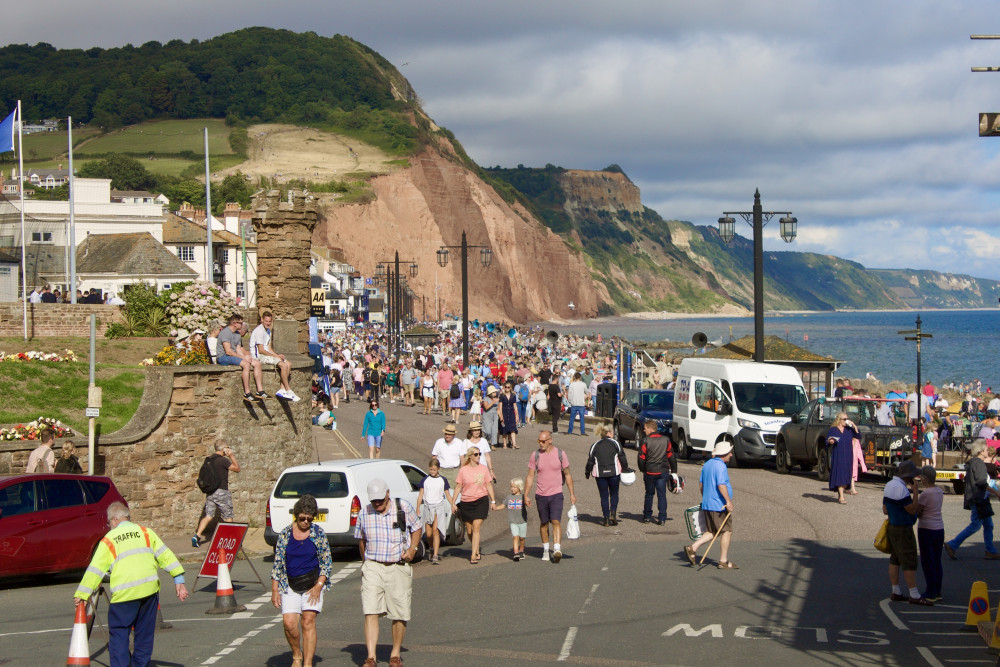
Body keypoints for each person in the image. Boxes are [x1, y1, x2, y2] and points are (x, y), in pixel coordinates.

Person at [74, 502, 189, 667]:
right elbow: (166, 555)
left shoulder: (109, 540)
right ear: (127, 517)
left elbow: (95, 569)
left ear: (114, 520)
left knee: (119, 634)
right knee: (144, 635)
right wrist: (179, 579)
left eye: (108, 523)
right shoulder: (146, 533)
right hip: (149, 591)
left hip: (125, 595)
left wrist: (82, 594)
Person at [356, 478, 422, 667]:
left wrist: (413, 549)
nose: (376, 503)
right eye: (373, 500)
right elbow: (361, 539)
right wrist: (366, 563)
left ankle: (395, 654)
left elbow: (416, 528)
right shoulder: (364, 512)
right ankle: (371, 657)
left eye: (380, 499)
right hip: (373, 566)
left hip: (398, 565)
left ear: (387, 494)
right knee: (370, 610)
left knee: (399, 612)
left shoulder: (402, 507)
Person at [270, 494, 333, 667]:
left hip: (313, 584)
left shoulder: (318, 533)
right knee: (289, 624)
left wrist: (319, 586)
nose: (305, 522)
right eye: (302, 518)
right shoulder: (285, 534)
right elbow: (278, 564)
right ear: (296, 515)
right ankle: (297, 654)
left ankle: (307, 662)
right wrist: (275, 590)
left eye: (309, 519)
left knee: (308, 621)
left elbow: (326, 563)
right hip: (290, 583)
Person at [883, 460, 932, 605]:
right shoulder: (901, 489)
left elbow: (885, 509)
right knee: (909, 560)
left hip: (892, 525)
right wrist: (915, 492)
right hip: (903, 527)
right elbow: (912, 509)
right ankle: (914, 594)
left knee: (895, 559)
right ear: (908, 476)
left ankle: (896, 590)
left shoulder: (889, 485)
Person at [524, 430, 576, 563]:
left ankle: (557, 548)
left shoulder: (560, 454)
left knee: (556, 521)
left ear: (550, 440)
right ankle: (546, 550)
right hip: (541, 495)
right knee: (543, 523)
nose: (540, 444)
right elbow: (530, 476)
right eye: (539, 441)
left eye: (543, 441)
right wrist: (526, 494)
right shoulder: (535, 455)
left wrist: (572, 493)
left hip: (556, 494)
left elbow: (568, 474)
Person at [684, 441, 737, 569]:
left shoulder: (707, 464)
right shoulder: (721, 466)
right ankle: (723, 561)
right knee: (727, 531)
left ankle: (693, 548)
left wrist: (705, 497)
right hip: (719, 505)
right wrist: (728, 501)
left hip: (708, 503)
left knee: (712, 531)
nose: (731, 455)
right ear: (724, 454)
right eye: (729, 452)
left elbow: (701, 485)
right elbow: (721, 484)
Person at [945, 439, 1000, 561]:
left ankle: (990, 550)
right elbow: (981, 482)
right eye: (986, 449)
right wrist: (996, 492)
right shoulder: (979, 464)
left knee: (988, 525)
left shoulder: (972, 462)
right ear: (980, 451)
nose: (987, 451)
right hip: (979, 498)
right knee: (975, 525)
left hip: (977, 497)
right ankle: (953, 544)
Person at [451, 447, 499, 564]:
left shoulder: (483, 469)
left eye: (479, 454)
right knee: (469, 530)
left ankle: (473, 554)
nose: (478, 456)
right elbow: (458, 486)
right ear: (470, 456)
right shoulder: (463, 470)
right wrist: (453, 502)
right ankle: (476, 548)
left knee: (476, 527)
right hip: (466, 502)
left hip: (481, 501)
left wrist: (493, 501)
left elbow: (488, 485)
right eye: (476, 454)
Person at [192, 442, 241, 547]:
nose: (229, 449)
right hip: (221, 491)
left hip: (210, 492)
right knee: (228, 516)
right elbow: (237, 468)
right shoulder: (223, 460)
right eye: (227, 447)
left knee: (209, 515)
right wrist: (231, 456)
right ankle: (231, 540)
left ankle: (197, 536)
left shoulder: (209, 460)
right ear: (223, 449)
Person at [250, 311, 300, 401]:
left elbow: (269, 347)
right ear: (262, 320)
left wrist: (276, 355)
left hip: (266, 354)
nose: (268, 323)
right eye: (266, 321)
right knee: (283, 365)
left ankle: (282, 389)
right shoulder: (259, 331)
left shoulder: (268, 331)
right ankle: (288, 389)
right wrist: (274, 357)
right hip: (259, 356)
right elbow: (261, 350)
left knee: (288, 363)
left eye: (269, 321)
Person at [586, 424, 629, 526]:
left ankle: (605, 518)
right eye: (612, 432)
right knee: (614, 494)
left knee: (604, 496)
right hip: (614, 473)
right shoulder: (615, 443)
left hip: (600, 474)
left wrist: (587, 472)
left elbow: (590, 461)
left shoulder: (595, 445)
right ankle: (613, 513)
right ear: (609, 433)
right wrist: (625, 468)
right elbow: (622, 457)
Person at [218, 313, 267, 402]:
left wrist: (245, 356)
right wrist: (243, 358)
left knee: (257, 363)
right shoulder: (225, 333)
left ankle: (260, 391)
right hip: (223, 357)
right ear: (234, 324)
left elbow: (238, 348)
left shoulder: (237, 334)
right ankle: (247, 393)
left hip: (233, 354)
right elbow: (228, 351)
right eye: (240, 323)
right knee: (246, 364)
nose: (242, 324)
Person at [638, 419, 676, 524]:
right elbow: (671, 456)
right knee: (662, 495)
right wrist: (674, 471)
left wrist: (643, 469)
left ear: (650, 429)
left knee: (649, 494)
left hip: (650, 471)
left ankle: (647, 516)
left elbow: (641, 458)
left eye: (645, 429)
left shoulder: (645, 440)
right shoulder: (666, 440)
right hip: (662, 471)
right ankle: (662, 518)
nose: (644, 431)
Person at [416, 459, 453, 564]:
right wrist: (418, 507)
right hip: (428, 506)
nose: (432, 471)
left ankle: (435, 555)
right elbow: (420, 495)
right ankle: (431, 547)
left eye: (434, 470)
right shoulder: (425, 480)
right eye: (431, 469)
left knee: (435, 530)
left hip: (438, 507)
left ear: (438, 469)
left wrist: (453, 504)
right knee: (428, 534)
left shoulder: (443, 480)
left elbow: (448, 495)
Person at [916, 466, 945, 602]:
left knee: (928, 561)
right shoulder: (939, 491)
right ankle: (937, 590)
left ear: (926, 479)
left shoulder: (926, 494)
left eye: (921, 476)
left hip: (927, 528)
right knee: (937, 560)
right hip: (939, 528)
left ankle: (931, 592)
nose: (920, 478)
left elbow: (919, 511)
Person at [826, 412, 859, 504]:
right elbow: (827, 440)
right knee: (840, 474)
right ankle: (841, 496)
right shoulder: (833, 429)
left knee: (846, 475)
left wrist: (854, 425)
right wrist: (830, 441)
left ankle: (841, 494)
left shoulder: (849, 430)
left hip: (848, 455)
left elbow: (858, 435)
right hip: (838, 455)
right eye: (844, 419)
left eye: (847, 419)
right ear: (839, 420)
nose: (846, 421)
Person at [503, 477, 529, 560]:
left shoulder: (522, 497)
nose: (512, 489)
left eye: (514, 487)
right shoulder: (509, 497)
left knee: (522, 538)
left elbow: (527, 502)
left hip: (522, 521)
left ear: (519, 487)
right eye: (511, 487)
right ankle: (516, 553)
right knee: (515, 537)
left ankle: (521, 550)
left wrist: (528, 502)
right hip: (513, 521)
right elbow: (503, 505)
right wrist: (496, 507)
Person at [498, 381, 519, 449]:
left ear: (510, 388)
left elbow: (515, 406)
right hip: (504, 412)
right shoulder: (502, 395)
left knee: (513, 429)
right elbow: (500, 407)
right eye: (505, 387)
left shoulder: (513, 395)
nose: (507, 388)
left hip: (511, 413)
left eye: (508, 387)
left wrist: (517, 416)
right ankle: (504, 443)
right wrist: (501, 416)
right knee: (504, 429)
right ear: (504, 387)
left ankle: (514, 443)